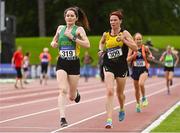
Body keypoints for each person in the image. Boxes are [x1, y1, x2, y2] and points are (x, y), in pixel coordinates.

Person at [50, 6, 90, 127]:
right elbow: (54, 41)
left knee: (71, 96)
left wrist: (72, 37)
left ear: (76, 18)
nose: (69, 17)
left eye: (72, 15)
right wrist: (53, 43)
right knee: (62, 89)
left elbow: (87, 44)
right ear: (65, 17)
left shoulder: (79, 30)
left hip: (74, 63)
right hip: (62, 62)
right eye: (68, 15)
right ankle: (62, 118)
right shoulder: (60, 28)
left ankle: (76, 93)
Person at [98, 10, 138, 128]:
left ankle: (121, 108)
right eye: (111, 20)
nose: (113, 22)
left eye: (115, 20)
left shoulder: (124, 33)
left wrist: (124, 40)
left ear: (120, 21)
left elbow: (135, 47)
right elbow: (101, 43)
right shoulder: (106, 34)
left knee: (120, 93)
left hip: (121, 66)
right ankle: (109, 119)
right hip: (108, 64)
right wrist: (100, 50)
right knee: (110, 91)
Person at [127, 33, 154, 113]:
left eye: (140, 39)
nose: (138, 41)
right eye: (137, 39)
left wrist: (150, 56)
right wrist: (134, 55)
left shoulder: (145, 48)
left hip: (143, 69)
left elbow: (149, 54)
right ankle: (138, 104)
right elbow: (127, 59)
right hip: (135, 70)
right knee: (136, 89)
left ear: (142, 40)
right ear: (134, 40)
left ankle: (144, 98)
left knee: (141, 84)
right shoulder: (131, 48)